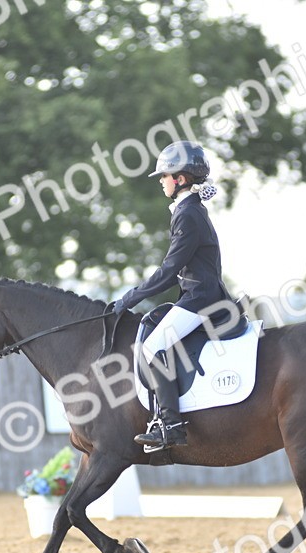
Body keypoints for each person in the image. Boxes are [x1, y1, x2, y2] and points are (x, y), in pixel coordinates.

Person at [109, 140, 232, 451]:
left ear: (180, 178)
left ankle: (171, 425)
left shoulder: (188, 214)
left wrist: (128, 299)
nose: (161, 182)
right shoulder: (189, 210)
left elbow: (168, 270)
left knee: (152, 347)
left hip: (201, 298)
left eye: (164, 176)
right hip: (197, 294)